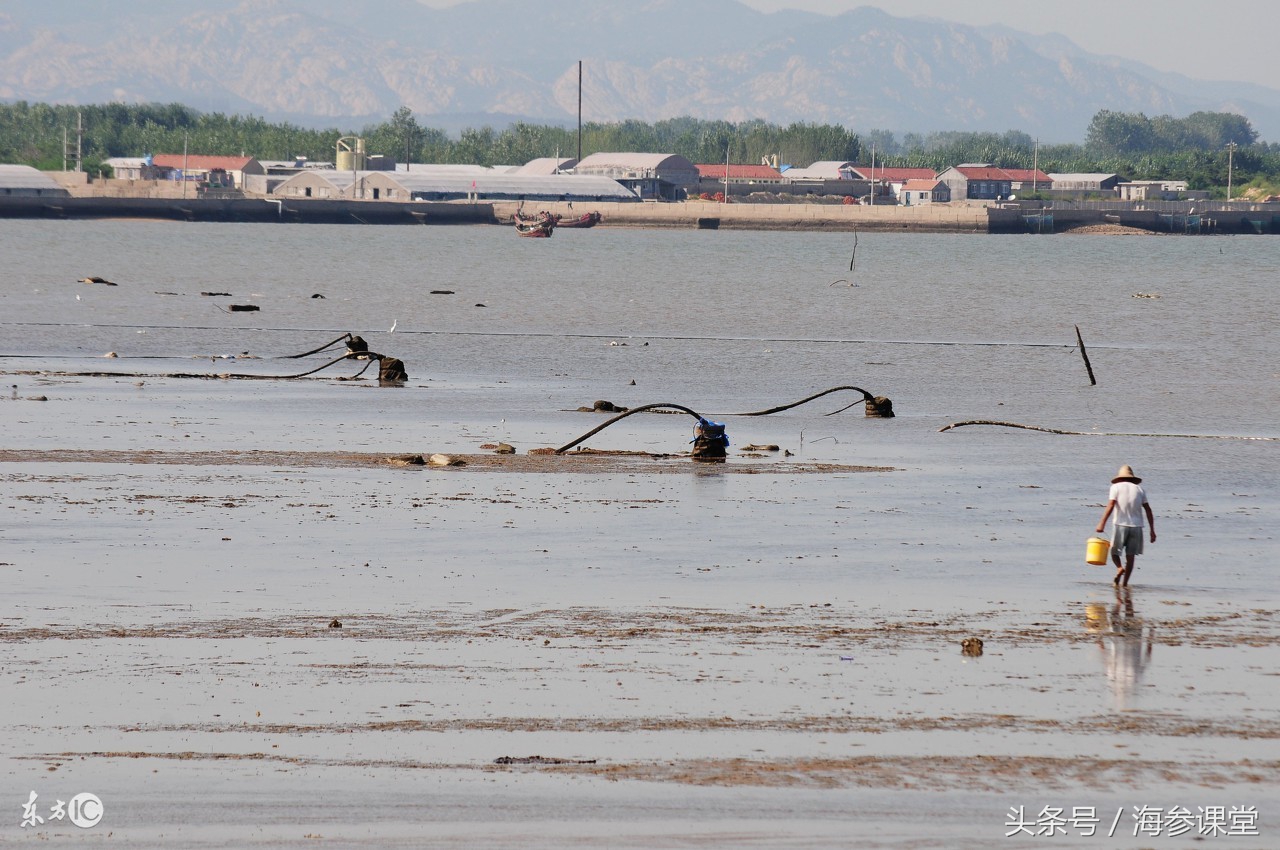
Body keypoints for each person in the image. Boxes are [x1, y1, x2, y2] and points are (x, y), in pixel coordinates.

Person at [1096, 465, 1155, 586]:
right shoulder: (1140, 489)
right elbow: (1148, 510)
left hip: (1120, 525)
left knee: (1114, 552)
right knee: (1131, 557)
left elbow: (1111, 505)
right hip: (1137, 527)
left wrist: (1102, 523)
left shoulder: (1115, 487)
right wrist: (1152, 531)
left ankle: (1119, 568)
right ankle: (1125, 584)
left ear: (1120, 477)